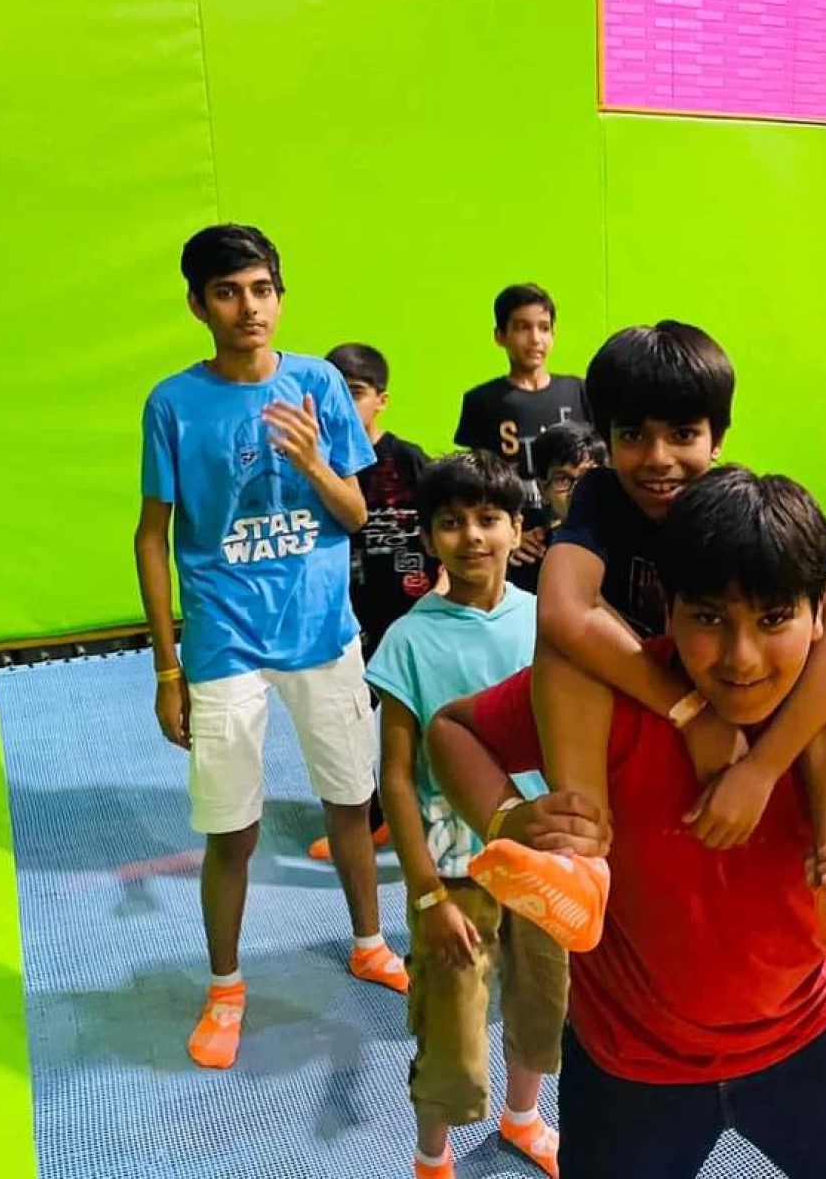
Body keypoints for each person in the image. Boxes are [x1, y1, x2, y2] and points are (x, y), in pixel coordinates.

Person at [429, 466, 826, 1178]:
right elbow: (451, 731)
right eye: (710, 618)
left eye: (774, 619)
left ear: (820, 616)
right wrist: (510, 818)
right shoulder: (614, 704)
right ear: (668, 606)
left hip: (808, 1041)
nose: (741, 658)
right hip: (631, 1062)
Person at [496, 321, 826, 957]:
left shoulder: (733, 506)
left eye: (683, 435)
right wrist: (689, 714)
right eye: (633, 436)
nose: (658, 459)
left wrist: (762, 769)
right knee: (564, 647)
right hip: (664, 690)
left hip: (739, 690)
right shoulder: (603, 496)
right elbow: (561, 610)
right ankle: (582, 861)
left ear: (718, 439)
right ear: (606, 440)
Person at [134, 224, 407, 1072]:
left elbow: (357, 514)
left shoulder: (321, 384)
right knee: (232, 829)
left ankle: (368, 941)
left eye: (260, 289)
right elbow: (152, 537)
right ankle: (224, 984)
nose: (247, 307)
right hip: (223, 639)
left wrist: (314, 460)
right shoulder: (173, 403)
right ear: (198, 304)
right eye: (227, 292)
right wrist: (167, 665)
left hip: (323, 633)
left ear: (280, 296)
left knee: (349, 802)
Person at [365, 451, 564, 1179]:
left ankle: (523, 1120)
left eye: (489, 519)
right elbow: (394, 776)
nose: (472, 536)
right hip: (452, 870)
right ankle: (430, 1155)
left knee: (541, 1008)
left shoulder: (548, 622)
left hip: (543, 859)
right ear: (430, 538)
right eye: (452, 523)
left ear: (519, 528)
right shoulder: (409, 641)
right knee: (450, 1035)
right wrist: (425, 892)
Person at [307, 342, 437, 862]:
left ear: (380, 399)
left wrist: (447, 587)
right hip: (344, 618)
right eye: (334, 392)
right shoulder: (316, 467)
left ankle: (431, 815)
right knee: (348, 723)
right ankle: (370, 819)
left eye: (356, 392)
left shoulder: (408, 461)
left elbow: (444, 521)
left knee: (423, 723)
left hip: (411, 614)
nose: (345, 403)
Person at [454, 284, 592, 580]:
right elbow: (481, 484)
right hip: (516, 550)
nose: (535, 339)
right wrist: (510, 537)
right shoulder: (482, 401)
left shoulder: (579, 392)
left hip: (579, 539)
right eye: (522, 328)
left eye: (544, 328)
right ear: (500, 336)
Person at [505, 420, 608, 594]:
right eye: (562, 479)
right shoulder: (530, 554)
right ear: (542, 490)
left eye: (588, 476)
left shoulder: (635, 542)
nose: (577, 491)